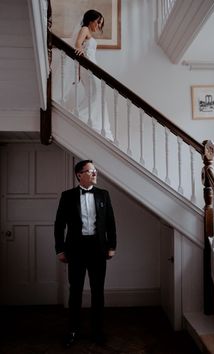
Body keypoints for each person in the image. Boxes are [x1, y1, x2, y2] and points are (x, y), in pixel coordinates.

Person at [54, 159, 117, 348]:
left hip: (98, 249)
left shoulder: (103, 195)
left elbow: (111, 223)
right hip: (76, 249)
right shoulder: (67, 196)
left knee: (98, 291)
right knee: (75, 291)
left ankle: (97, 331)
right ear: (79, 174)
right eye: (90, 171)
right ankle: (73, 330)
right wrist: (60, 249)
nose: (95, 173)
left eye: (95, 170)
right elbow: (59, 225)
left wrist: (112, 246)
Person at [68, 9, 113, 139]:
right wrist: (81, 54)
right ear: (91, 20)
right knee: (95, 93)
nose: (98, 26)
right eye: (98, 22)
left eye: (100, 24)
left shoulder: (88, 33)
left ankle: (93, 121)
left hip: (92, 67)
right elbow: (77, 44)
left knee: (96, 93)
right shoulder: (85, 29)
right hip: (89, 68)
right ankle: (81, 116)